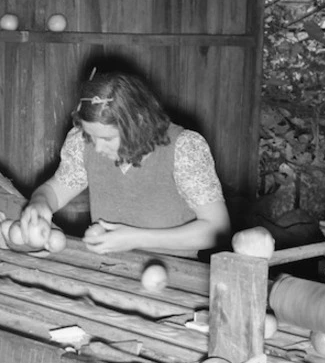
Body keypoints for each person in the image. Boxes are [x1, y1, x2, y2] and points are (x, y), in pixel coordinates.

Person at [20, 70, 231, 258]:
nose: (98, 148)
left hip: (174, 275)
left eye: (108, 139)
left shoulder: (185, 148)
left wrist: (137, 239)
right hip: (110, 269)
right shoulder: (82, 141)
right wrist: (40, 203)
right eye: (90, 136)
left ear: (138, 122)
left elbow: (217, 229)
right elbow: (54, 191)